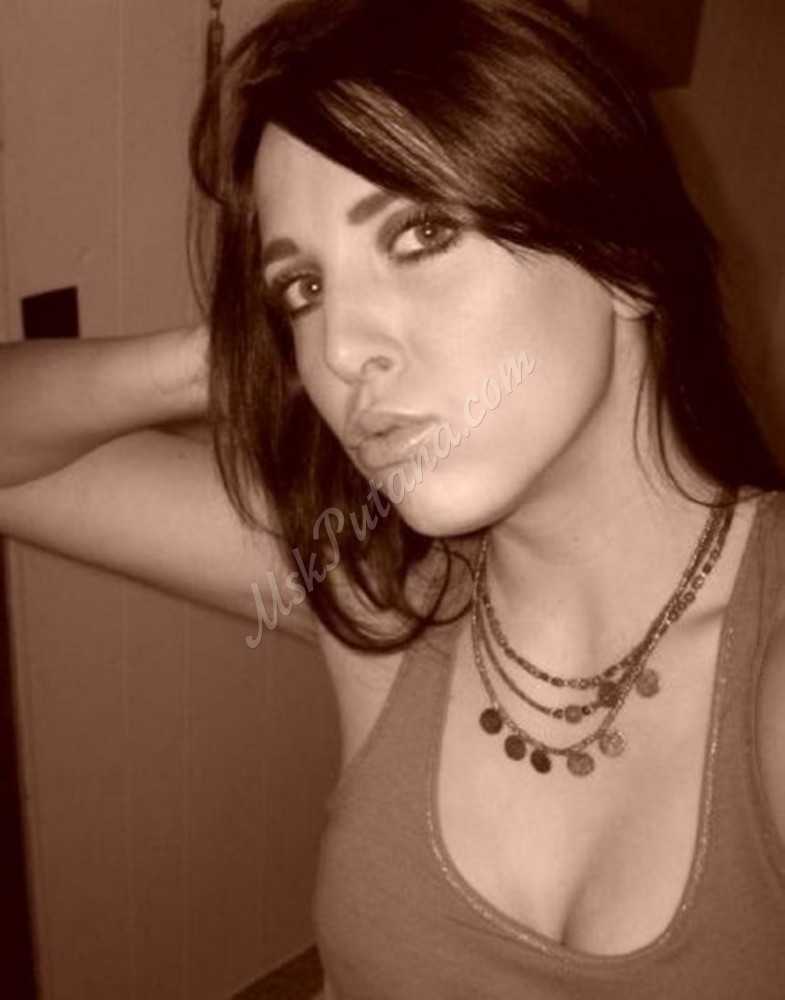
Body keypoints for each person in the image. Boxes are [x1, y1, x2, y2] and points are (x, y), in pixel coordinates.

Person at [2, 0, 784, 996]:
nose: (338, 351)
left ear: (621, 259)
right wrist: (233, 358)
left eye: (419, 232)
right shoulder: (384, 594)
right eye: (302, 289)